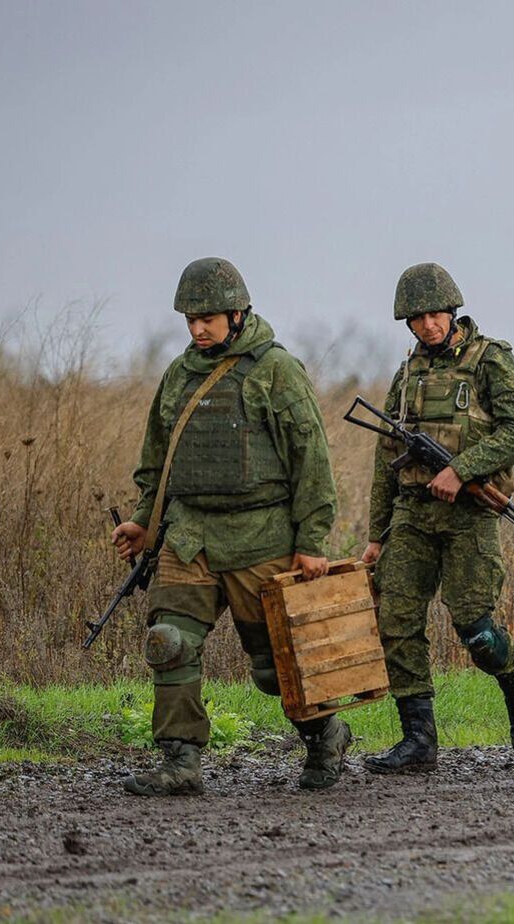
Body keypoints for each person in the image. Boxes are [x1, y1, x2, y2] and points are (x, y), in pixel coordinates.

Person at [111, 257, 342, 795]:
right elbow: (157, 458)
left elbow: (312, 461)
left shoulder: (275, 371)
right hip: (189, 536)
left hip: (261, 535)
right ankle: (180, 762)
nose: (197, 328)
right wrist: (144, 520)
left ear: (237, 313)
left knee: (274, 669)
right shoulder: (179, 374)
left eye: (208, 317)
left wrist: (310, 542)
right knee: (168, 641)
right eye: (190, 319)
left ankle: (326, 733)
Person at [361, 263, 514, 773]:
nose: (427, 325)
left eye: (434, 314)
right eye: (416, 319)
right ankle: (417, 739)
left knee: (474, 627)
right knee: (396, 620)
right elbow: (386, 458)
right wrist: (376, 536)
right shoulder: (407, 374)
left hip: (469, 515)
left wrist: (461, 471)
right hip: (412, 514)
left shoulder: (491, 361)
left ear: (453, 309)